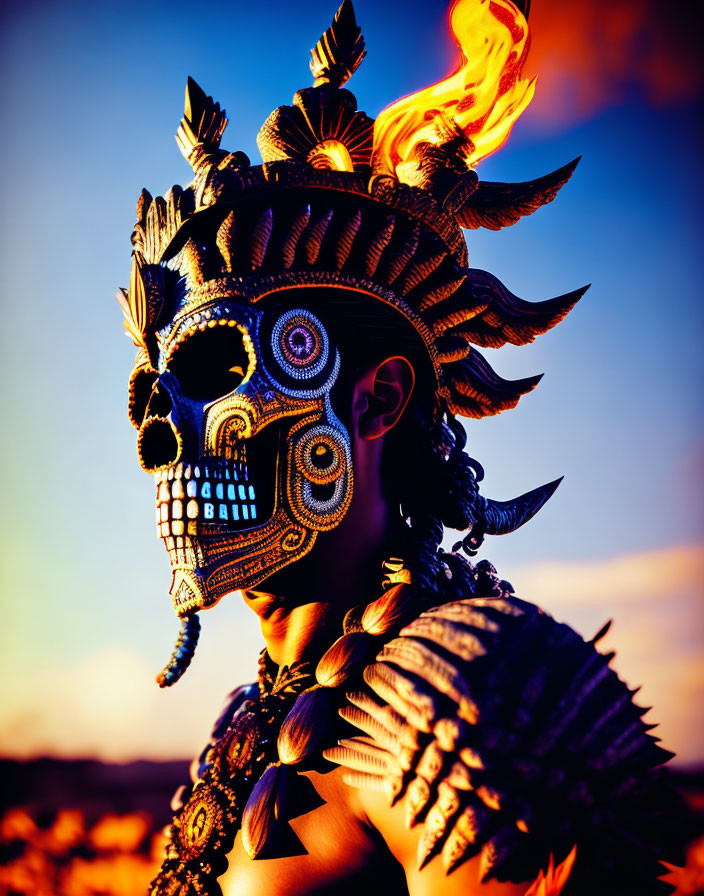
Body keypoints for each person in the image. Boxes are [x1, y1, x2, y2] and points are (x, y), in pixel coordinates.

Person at [117, 2, 682, 893]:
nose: (165, 434)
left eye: (220, 370)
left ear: (376, 399)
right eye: (156, 394)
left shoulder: (473, 692)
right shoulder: (253, 719)